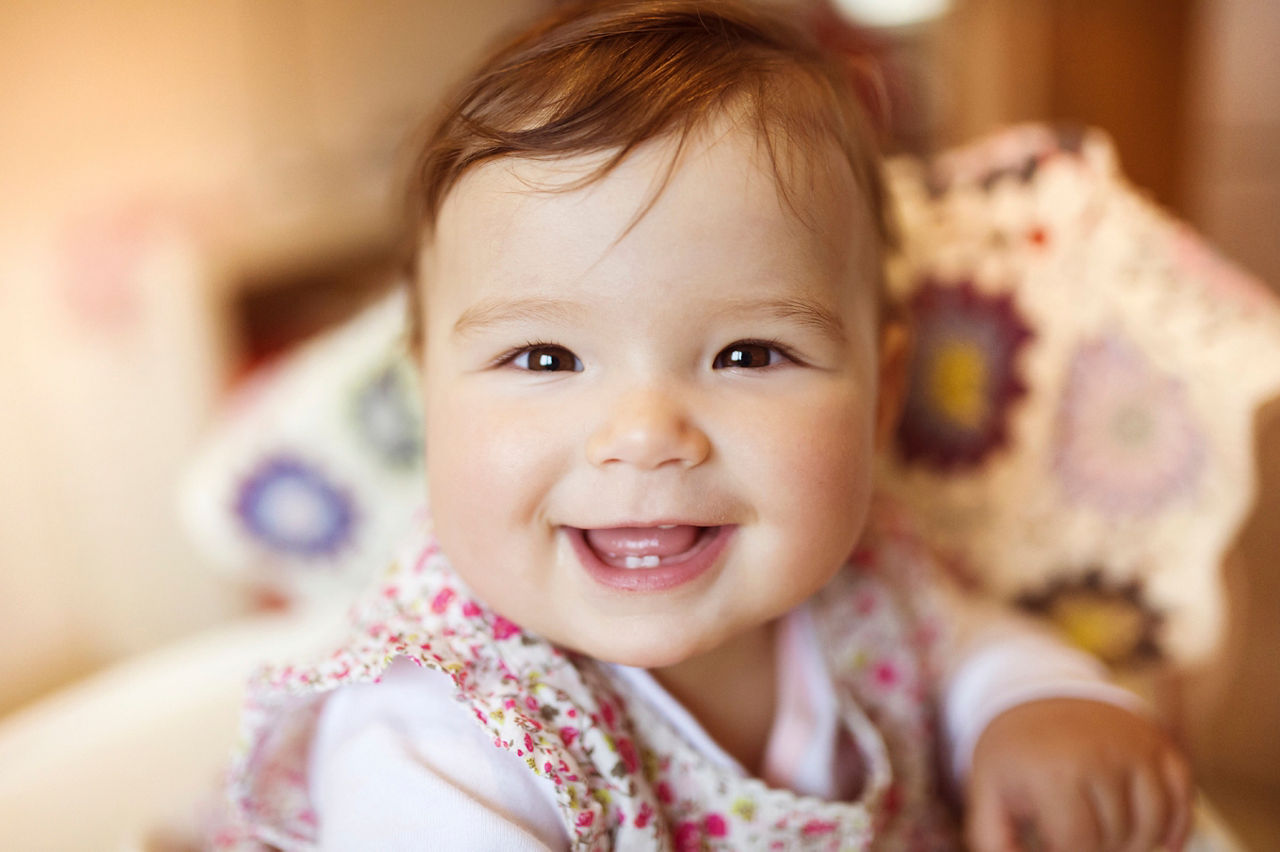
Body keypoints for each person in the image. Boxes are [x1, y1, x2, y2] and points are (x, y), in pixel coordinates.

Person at [222, 2, 1193, 849]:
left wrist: (1033, 706)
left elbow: (967, 645)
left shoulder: (865, 582)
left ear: (881, 397)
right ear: (429, 395)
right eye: (546, 359)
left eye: (748, 354)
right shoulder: (435, 729)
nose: (644, 434)